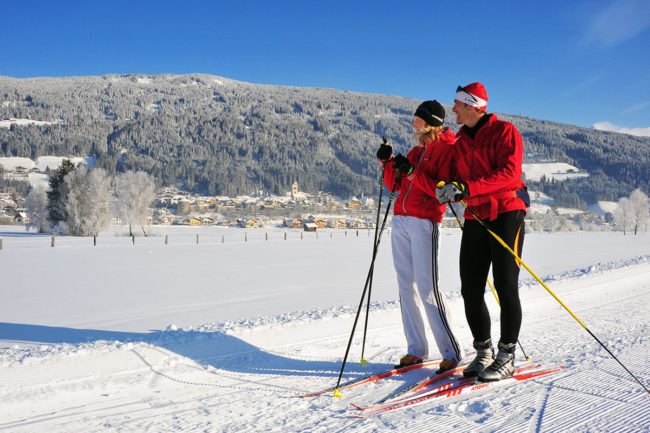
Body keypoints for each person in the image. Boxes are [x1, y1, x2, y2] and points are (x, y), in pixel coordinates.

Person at [436, 82, 528, 382]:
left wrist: (468, 187)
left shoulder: (505, 132)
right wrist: (446, 186)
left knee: (505, 284)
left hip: (506, 213)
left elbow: (509, 175)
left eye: (458, 105)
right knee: (470, 288)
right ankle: (484, 351)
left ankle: (506, 355)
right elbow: (451, 175)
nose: (453, 110)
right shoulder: (461, 142)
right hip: (476, 216)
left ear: (474, 106)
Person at [377, 100, 464, 373]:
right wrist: (388, 162)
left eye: (417, 119)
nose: (413, 124)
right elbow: (395, 185)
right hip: (401, 220)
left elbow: (437, 191)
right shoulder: (417, 151)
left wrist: (414, 173)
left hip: (425, 222)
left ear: (429, 122)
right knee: (406, 287)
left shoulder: (447, 151)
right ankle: (416, 349)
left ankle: (450, 351)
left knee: (428, 288)